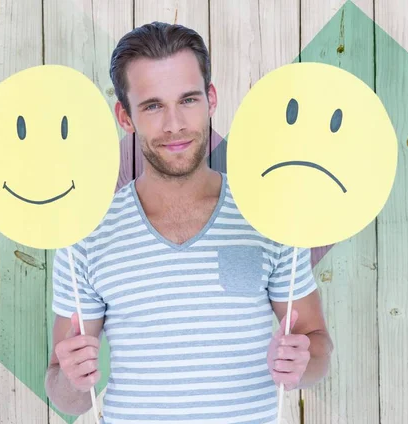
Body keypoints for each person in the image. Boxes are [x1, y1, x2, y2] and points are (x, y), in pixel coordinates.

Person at [45, 21, 333, 423]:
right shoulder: (86, 234)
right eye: (152, 105)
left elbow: (317, 347)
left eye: (188, 100)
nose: (174, 124)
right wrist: (74, 379)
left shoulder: (270, 216)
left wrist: (303, 362)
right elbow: (66, 394)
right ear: (125, 117)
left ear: (211, 99)